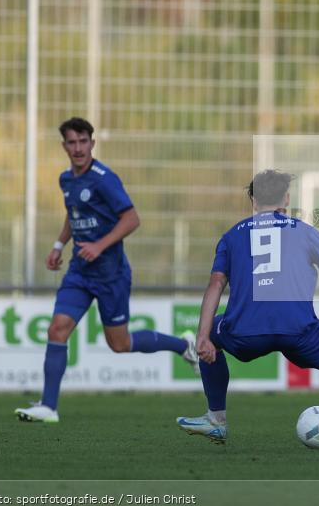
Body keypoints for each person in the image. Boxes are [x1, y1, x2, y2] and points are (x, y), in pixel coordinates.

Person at [175, 170, 319, 457]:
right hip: (301, 332)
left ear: (253, 199)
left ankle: (216, 419)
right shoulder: (306, 232)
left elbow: (216, 283)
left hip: (244, 332)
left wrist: (203, 336)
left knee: (213, 332)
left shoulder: (231, 236)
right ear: (286, 199)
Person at [16, 117, 198, 423]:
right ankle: (49, 406)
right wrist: (59, 245)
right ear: (64, 146)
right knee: (57, 329)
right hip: (79, 272)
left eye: (83, 141)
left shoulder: (104, 179)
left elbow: (132, 219)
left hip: (110, 274)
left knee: (120, 344)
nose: (78, 148)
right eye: (72, 142)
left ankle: (183, 346)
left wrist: (99, 245)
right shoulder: (67, 180)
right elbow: (74, 215)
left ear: (92, 143)